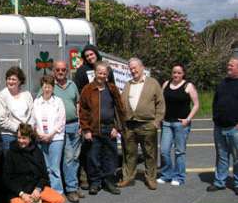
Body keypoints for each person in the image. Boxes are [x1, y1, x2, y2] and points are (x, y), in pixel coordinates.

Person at [4, 123, 65, 203]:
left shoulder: (37, 151)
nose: (20, 141)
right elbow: (7, 179)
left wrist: (38, 189)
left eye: (24, 138)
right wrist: (22, 195)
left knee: (59, 200)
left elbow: (44, 176)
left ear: (30, 138)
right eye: (18, 137)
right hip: (18, 193)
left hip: (35, 190)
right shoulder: (11, 153)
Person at [79, 61, 126, 195]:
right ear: (95, 73)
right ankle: (95, 182)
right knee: (93, 158)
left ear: (107, 74)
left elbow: (120, 109)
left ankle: (109, 182)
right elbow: (83, 111)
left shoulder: (112, 89)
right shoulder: (87, 89)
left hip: (109, 129)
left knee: (110, 158)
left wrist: (117, 127)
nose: (102, 75)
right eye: (100, 72)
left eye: (105, 73)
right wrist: (86, 129)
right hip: (93, 131)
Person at [118, 58, 165, 190]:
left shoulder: (153, 83)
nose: (133, 71)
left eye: (135, 68)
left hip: (147, 124)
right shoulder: (128, 84)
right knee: (129, 153)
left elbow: (160, 103)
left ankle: (150, 178)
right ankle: (127, 177)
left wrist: (156, 122)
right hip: (130, 125)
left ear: (142, 67)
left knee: (150, 154)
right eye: (131, 68)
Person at [73, 44, 115, 191]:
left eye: (92, 54)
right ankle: (91, 181)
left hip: (107, 120)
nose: (90, 57)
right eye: (87, 56)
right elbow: (79, 95)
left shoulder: (107, 68)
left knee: (108, 153)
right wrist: (83, 124)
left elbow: (114, 94)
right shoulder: (82, 71)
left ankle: (108, 181)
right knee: (91, 153)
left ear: (96, 54)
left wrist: (117, 125)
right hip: (90, 119)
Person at [158, 63, 199, 186]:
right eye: (174, 72)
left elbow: (196, 104)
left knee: (179, 152)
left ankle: (179, 177)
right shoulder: (166, 84)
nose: (176, 75)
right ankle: (166, 175)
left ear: (183, 74)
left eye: (179, 73)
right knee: (164, 150)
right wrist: (160, 116)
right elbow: (160, 102)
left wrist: (188, 119)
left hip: (181, 124)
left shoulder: (188, 86)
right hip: (166, 122)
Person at [52, 61, 83, 202]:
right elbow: (41, 102)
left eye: (63, 70)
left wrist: (80, 122)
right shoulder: (50, 86)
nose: (60, 72)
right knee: (68, 158)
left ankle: (73, 185)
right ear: (54, 71)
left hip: (74, 125)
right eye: (58, 69)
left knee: (75, 158)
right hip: (60, 128)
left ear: (67, 71)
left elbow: (77, 103)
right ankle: (71, 189)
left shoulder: (72, 85)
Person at [207, 56, 238, 195]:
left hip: (235, 128)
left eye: (232, 65)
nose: (228, 66)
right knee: (222, 155)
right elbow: (215, 102)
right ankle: (220, 182)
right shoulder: (223, 83)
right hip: (219, 127)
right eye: (228, 65)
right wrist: (215, 118)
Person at [33, 75, 66, 194]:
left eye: (50, 86)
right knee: (45, 167)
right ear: (42, 87)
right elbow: (33, 121)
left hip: (56, 138)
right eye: (45, 86)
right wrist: (39, 134)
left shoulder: (58, 102)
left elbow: (61, 121)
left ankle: (57, 192)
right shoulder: (36, 102)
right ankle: (47, 192)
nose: (47, 89)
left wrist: (50, 135)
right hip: (41, 138)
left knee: (54, 168)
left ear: (53, 88)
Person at [0, 66, 34, 151]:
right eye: (8, 79)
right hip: (9, 136)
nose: (10, 81)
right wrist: (20, 129)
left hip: (27, 136)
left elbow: (32, 114)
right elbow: (2, 120)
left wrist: (28, 130)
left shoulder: (27, 94)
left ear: (20, 81)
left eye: (14, 79)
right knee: (11, 163)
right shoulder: (1, 96)